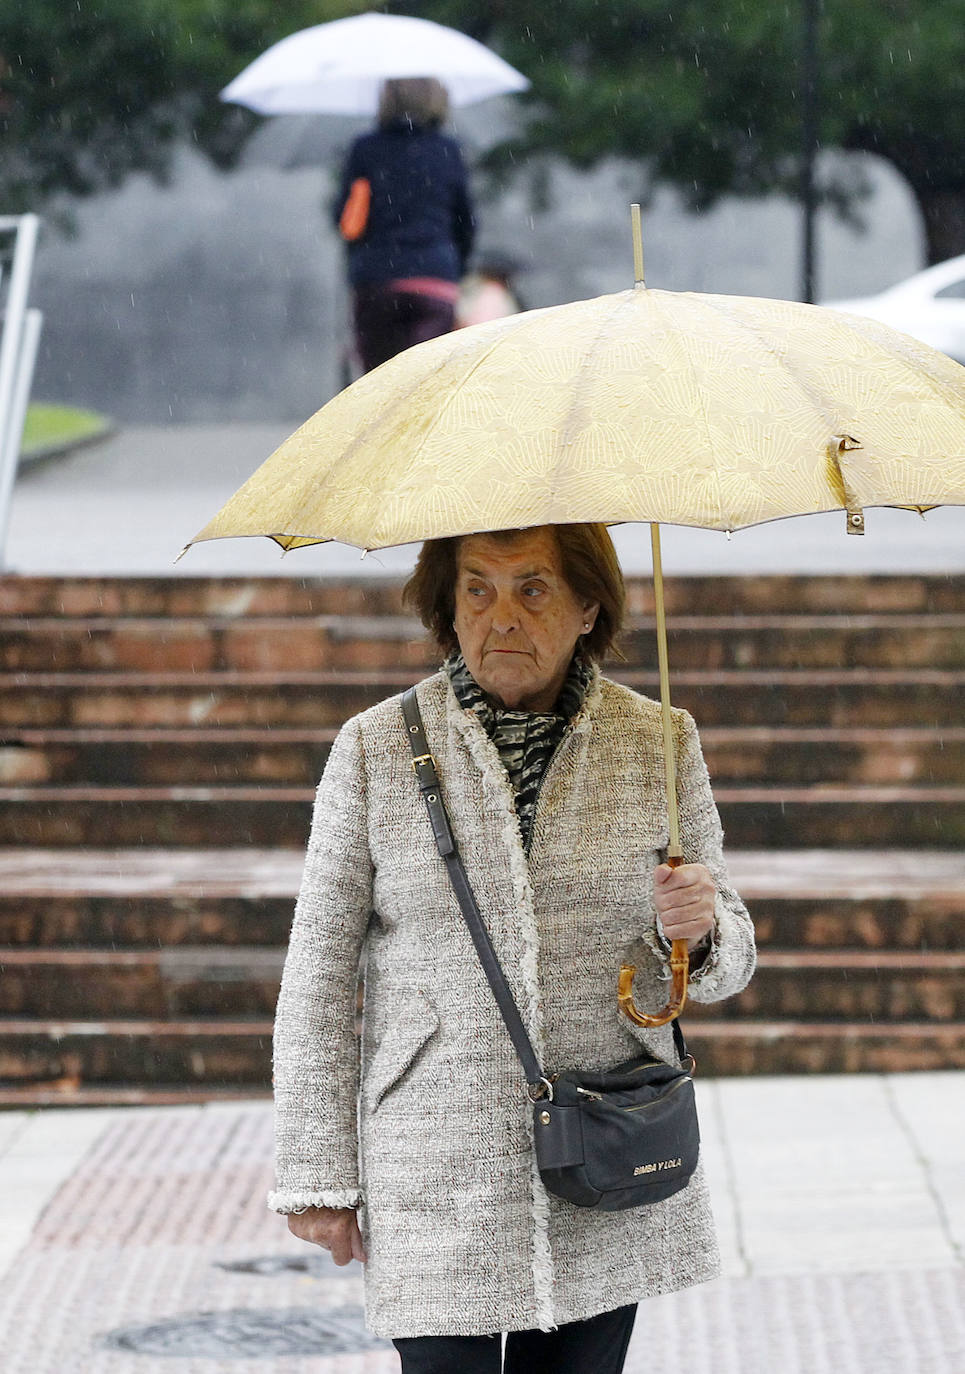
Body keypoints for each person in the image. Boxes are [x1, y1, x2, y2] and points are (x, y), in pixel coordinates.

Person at [269, 523, 756, 1373]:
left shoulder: (659, 741)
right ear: (446, 609)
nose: (501, 617)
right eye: (476, 590)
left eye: (532, 589)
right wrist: (317, 1173)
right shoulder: (377, 747)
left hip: (604, 1150)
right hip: (434, 1157)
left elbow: (726, 961)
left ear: (586, 608)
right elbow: (316, 970)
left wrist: (700, 927)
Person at [334, 77, 475, 374]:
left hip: (376, 282)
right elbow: (465, 222)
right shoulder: (448, 149)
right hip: (434, 279)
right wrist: (455, 267)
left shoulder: (365, 149)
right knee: (425, 382)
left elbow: (345, 218)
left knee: (379, 383)